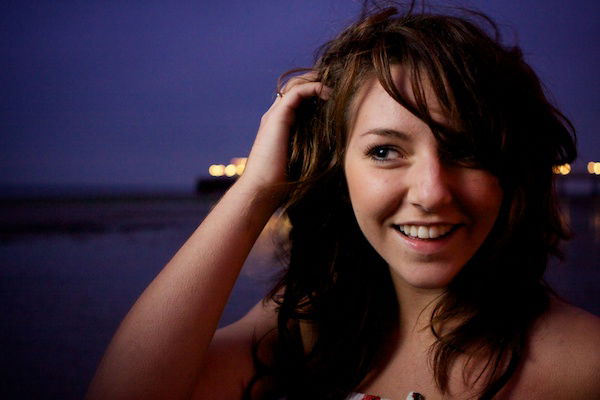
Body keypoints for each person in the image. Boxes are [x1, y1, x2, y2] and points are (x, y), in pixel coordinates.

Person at [87, 3, 600, 399]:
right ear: (339, 170)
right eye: (384, 151)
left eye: (466, 151)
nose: (431, 191)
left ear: (510, 170)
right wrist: (255, 191)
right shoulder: (306, 331)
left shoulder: (585, 364)